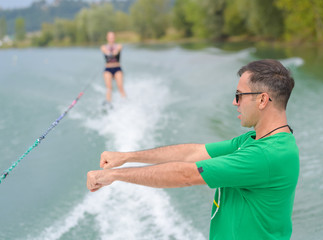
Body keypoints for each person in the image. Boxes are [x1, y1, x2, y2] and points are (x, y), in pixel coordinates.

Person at [87, 59, 299, 240]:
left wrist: (114, 176)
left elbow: (186, 175)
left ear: (262, 100)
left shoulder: (266, 155)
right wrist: (127, 157)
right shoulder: (256, 140)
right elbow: (193, 153)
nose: (235, 102)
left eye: (239, 95)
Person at [101, 31, 126, 104]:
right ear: (107, 38)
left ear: (114, 38)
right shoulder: (103, 47)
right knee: (109, 88)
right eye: (110, 37)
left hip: (117, 68)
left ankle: (125, 102)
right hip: (108, 69)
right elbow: (105, 51)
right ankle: (108, 103)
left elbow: (117, 51)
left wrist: (114, 52)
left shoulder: (119, 46)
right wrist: (108, 53)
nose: (111, 39)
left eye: (112, 37)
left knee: (120, 86)